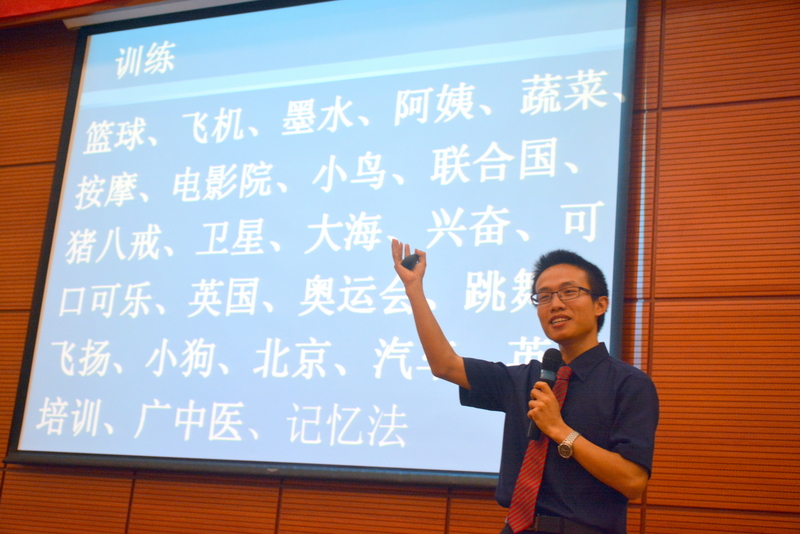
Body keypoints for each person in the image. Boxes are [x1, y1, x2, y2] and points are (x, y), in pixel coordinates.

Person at [391, 239, 658, 534]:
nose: (555, 304)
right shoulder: (525, 378)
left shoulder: (629, 384)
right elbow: (445, 365)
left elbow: (633, 481)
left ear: (600, 304)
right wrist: (413, 289)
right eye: (544, 297)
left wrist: (560, 430)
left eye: (569, 292)